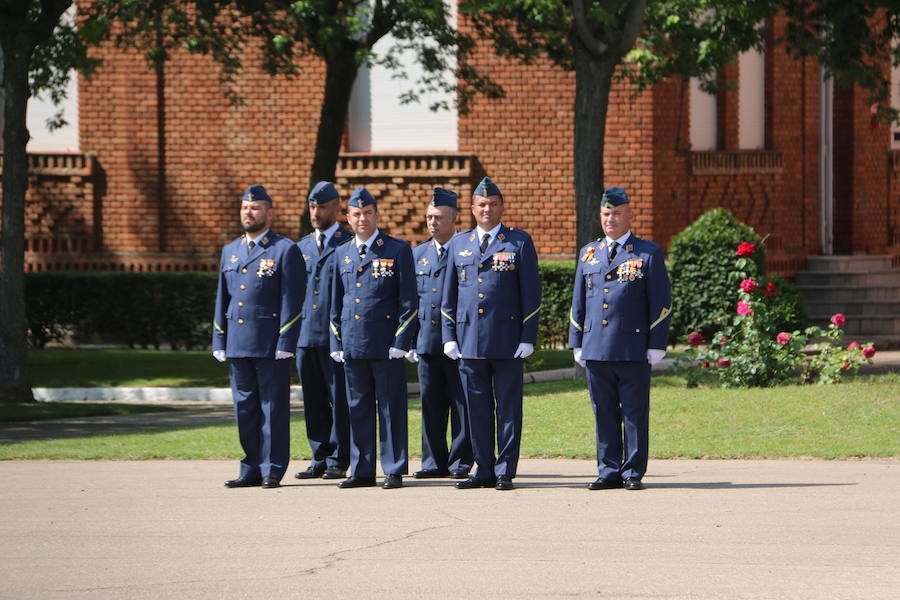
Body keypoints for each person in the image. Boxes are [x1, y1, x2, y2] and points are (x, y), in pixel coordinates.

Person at [568, 186, 671, 491]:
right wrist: (577, 340)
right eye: (605, 213)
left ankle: (632, 472)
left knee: (634, 413)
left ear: (630, 215)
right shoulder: (589, 253)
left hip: (632, 347)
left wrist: (656, 344)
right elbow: (579, 302)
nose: (610, 219)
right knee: (604, 412)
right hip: (596, 346)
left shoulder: (647, 252)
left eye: (616, 213)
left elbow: (661, 301)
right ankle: (609, 469)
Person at [441, 176, 541, 491]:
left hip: (508, 341)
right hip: (469, 342)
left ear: (501, 208)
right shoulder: (459, 243)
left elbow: (531, 294)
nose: (487, 209)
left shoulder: (519, 242)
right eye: (482, 204)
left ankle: (504, 470)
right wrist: (449, 336)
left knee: (509, 409)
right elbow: (449, 295)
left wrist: (528, 336)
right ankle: (483, 468)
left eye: (493, 204)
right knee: (476, 409)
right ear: (472, 209)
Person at [212, 184, 306, 489]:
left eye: (254, 208)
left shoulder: (284, 249)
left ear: (269, 212)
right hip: (238, 342)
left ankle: (272, 468)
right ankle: (250, 466)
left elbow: (292, 300)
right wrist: (219, 340)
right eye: (244, 208)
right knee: (245, 410)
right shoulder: (231, 250)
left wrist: (286, 342)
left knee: (272, 409)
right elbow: (222, 300)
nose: (248, 213)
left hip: (269, 344)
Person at [329, 187, 417, 489]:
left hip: (385, 345)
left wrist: (401, 342)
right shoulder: (341, 253)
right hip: (353, 344)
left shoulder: (396, 249)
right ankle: (361, 469)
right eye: (356, 214)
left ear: (377, 215)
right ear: (348, 217)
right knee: (358, 407)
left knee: (391, 408)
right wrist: (336, 343)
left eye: (368, 213)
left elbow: (408, 302)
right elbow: (335, 304)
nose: (362, 218)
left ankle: (393, 468)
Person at [407, 187, 473, 480]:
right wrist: (408, 341)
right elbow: (409, 301)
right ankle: (433, 461)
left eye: (439, 217)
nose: (432, 223)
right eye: (429, 217)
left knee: (461, 404)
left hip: (459, 341)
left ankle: (460, 461)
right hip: (427, 341)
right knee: (431, 404)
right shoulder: (418, 253)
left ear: (455, 218)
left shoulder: (467, 248)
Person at [293, 181, 352, 481]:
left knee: (339, 398)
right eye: (312, 206)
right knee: (313, 400)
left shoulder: (348, 243)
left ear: (337, 207)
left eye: (322, 206)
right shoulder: (301, 247)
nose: (316, 212)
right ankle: (319, 455)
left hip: (335, 338)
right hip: (305, 336)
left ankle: (339, 457)